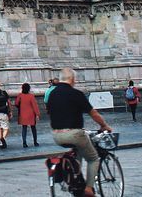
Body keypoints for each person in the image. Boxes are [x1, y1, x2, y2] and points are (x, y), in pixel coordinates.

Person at [48, 68, 112, 197]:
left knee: (77, 151)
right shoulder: (76, 93)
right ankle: (89, 189)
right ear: (72, 79)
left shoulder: (52, 94)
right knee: (93, 158)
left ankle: (76, 181)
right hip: (74, 134)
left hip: (56, 135)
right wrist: (104, 125)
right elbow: (93, 113)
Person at [15, 82, 40, 147]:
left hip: (23, 114)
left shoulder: (20, 95)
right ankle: (35, 142)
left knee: (24, 128)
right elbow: (35, 106)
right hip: (31, 114)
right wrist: (37, 114)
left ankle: (24, 142)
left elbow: (16, 103)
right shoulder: (31, 96)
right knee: (33, 128)